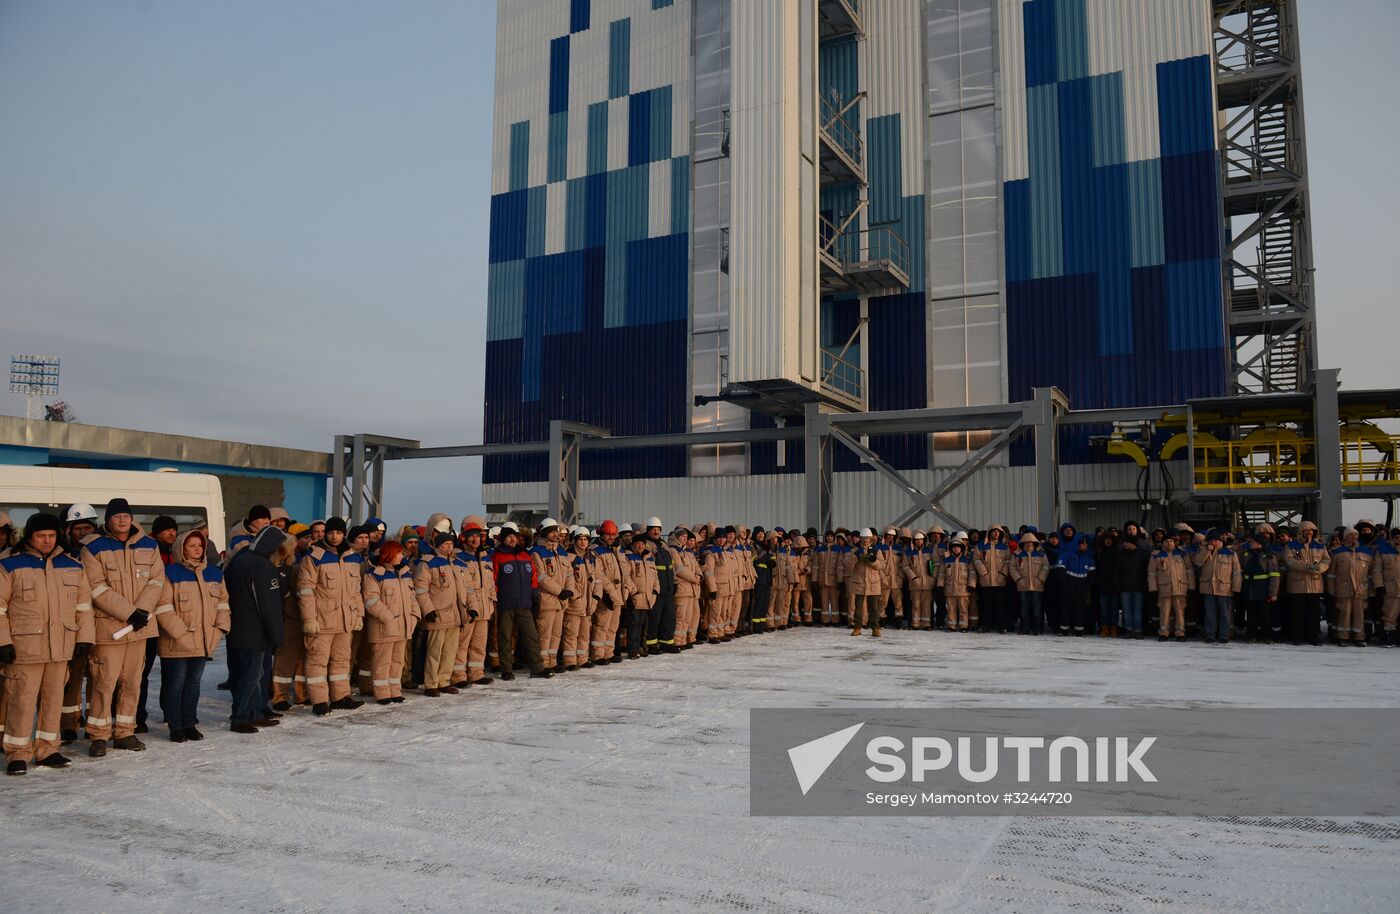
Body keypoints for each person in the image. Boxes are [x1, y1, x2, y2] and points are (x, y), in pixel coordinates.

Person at [0, 513, 95, 775]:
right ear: (30, 536)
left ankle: (47, 748)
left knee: (53, 700)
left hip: (60, 646)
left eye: (51, 536)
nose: (46, 540)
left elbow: (83, 607)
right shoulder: (9, 564)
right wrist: (2, 641)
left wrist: (85, 638)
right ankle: (17, 753)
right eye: (41, 536)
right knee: (21, 700)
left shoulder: (72, 564)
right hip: (24, 648)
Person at [81, 498, 166, 756]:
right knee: (104, 683)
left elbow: (157, 580)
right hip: (109, 629)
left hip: (139, 629)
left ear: (132, 518)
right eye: (116, 516)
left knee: (133, 682)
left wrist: (140, 612)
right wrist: (130, 613)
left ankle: (125, 732)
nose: (122, 520)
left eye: (126, 515)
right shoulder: (93, 547)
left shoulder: (149, 545)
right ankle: (98, 734)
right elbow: (95, 587)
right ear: (108, 520)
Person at [154, 529, 228, 742]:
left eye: (200, 545)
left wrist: (218, 630)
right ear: (181, 548)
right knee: (175, 683)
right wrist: (181, 634)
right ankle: (175, 726)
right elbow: (162, 607)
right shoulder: (170, 572)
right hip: (176, 641)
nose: (197, 549)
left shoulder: (214, 573)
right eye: (191, 545)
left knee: (193, 683)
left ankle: (190, 723)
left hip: (204, 640)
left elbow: (223, 604)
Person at [297, 517, 366, 715]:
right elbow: (305, 591)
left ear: (344, 534)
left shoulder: (352, 557)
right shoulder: (314, 557)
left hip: (345, 621)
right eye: (331, 532)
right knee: (317, 661)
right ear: (326, 533)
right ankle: (319, 701)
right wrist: (309, 619)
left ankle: (340, 696)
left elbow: (356, 591)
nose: (334, 537)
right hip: (321, 621)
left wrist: (358, 615)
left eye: (338, 533)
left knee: (342, 660)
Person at [223, 526, 289, 733]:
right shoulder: (263, 567)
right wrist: (278, 637)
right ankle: (241, 718)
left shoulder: (240, 559)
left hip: (237, 628)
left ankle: (254, 713)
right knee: (251, 678)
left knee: (241, 675)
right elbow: (269, 607)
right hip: (255, 633)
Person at [58, 503, 100, 743]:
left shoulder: (103, 552)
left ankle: (95, 719)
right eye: (78, 528)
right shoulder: (64, 556)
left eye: (88, 527)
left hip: (101, 624)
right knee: (71, 679)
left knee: (98, 676)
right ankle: (68, 723)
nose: (83, 532)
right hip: (72, 626)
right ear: (69, 531)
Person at [361, 540, 418, 704]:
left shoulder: (405, 574)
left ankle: (395, 690)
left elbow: (412, 597)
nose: (401, 556)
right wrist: (388, 617)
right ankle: (382, 693)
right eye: (398, 553)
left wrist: (414, 616)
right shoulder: (374, 576)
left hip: (402, 627)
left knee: (398, 661)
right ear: (389, 554)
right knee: (382, 662)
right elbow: (371, 600)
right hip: (383, 628)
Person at [493, 523, 549, 679]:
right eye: (509, 536)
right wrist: (497, 600)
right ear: (503, 538)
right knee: (505, 638)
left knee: (531, 636)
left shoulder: (525, 556)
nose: (512, 539)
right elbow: (494, 581)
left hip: (524, 604)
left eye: (515, 537)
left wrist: (534, 597)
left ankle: (537, 668)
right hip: (506, 605)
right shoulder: (497, 556)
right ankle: (506, 670)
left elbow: (533, 580)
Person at [413, 532, 466, 696]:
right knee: (434, 651)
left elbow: (466, 588)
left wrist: (468, 608)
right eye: (445, 544)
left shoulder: (457, 563)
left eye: (451, 544)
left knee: (449, 651)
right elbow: (420, 590)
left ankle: (444, 681)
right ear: (437, 546)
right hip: (437, 614)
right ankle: (431, 683)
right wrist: (428, 610)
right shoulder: (428, 563)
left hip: (455, 615)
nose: (449, 547)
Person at [453, 516, 494, 688]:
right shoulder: (459, 557)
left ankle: (476, 673)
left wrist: (491, 601)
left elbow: (490, 583)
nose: (475, 539)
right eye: (471, 536)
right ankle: (458, 675)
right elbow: (462, 586)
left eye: (477, 536)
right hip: (469, 608)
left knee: (479, 644)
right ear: (463, 537)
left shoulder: (485, 557)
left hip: (484, 607)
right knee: (462, 644)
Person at [530, 518, 572, 673]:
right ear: (546, 533)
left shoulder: (561, 551)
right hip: (547, 600)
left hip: (561, 600)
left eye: (557, 531)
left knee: (556, 634)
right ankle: (542, 663)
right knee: (544, 634)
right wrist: (560, 591)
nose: (557, 534)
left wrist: (569, 589)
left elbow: (569, 574)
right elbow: (541, 577)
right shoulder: (537, 553)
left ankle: (552, 662)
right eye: (553, 531)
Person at [1284, 521, 1330, 645]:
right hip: (1297, 585)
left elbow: (1327, 559)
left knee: (1314, 614)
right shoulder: (1291, 545)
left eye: (1312, 530)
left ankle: (1313, 637)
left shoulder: (1320, 545)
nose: (1309, 532)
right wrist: (1307, 567)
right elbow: (1289, 561)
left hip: (1315, 586)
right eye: (1307, 530)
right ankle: (1297, 637)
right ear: (1301, 531)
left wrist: (1319, 568)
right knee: (1297, 613)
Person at [590, 520, 628, 664]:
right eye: (608, 535)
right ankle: (598, 655)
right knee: (601, 626)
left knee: (612, 627)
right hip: (606, 594)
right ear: (602, 534)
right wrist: (608, 593)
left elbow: (623, 571)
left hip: (617, 594)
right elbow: (600, 574)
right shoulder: (596, 550)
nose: (611, 537)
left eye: (613, 535)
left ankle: (608, 653)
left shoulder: (615, 550)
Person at [1327, 528, 1373, 646]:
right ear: (1345, 537)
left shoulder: (1366, 551)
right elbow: (1331, 574)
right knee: (1344, 614)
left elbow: (1371, 573)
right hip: (1343, 589)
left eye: (1356, 535)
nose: (1354, 537)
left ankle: (1359, 637)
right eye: (1351, 535)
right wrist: (1331, 591)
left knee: (1359, 615)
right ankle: (1343, 637)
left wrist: (1371, 590)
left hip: (1361, 589)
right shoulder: (1337, 552)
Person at [1198, 531, 1242, 644]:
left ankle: (1224, 635)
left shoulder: (1230, 552)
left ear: (1220, 541)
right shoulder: (1204, 550)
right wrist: (1207, 550)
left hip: (1225, 588)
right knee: (1210, 613)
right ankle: (1210, 635)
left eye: (1215, 540)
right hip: (1208, 588)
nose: (1213, 542)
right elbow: (1198, 562)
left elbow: (1236, 571)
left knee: (1225, 613)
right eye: (1211, 540)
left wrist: (1236, 588)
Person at [562, 526, 597, 668]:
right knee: (571, 633)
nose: (583, 543)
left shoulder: (592, 557)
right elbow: (566, 579)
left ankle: (582, 658)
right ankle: (570, 661)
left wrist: (596, 596)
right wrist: (575, 596)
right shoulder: (568, 556)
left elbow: (598, 578)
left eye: (585, 540)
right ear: (575, 541)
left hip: (589, 602)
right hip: (575, 602)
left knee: (584, 633)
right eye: (580, 539)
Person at [644, 517, 680, 652]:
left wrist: (675, 582)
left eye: (658, 529)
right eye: (653, 529)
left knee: (669, 618)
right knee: (654, 618)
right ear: (648, 530)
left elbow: (672, 566)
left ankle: (667, 642)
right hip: (658, 589)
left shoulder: (664, 545)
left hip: (669, 588)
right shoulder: (648, 545)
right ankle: (652, 644)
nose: (656, 532)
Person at [1149, 534, 1193, 642]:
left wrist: (1192, 586)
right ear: (1162, 543)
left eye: (1171, 541)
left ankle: (1180, 632)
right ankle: (1164, 632)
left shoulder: (1182, 553)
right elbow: (1152, 573)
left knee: (1180, 611)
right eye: (1167, 541)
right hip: (1164, 588)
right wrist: (1153, 588)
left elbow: (1190, 570)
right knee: (1164, 611)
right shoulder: (1156, 555)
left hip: (1180, 587)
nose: (1169, 543)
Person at [1240, 536, 1281, 643]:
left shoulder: (1269, 556)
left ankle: (1267, 636)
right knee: (1251, 615)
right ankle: (1252, 635)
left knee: (1265, 615)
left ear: (1259, 543)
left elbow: (1275, 575)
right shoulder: (1245, 555)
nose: (1250, 543)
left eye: (1252, 541)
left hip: (1263, 590)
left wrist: (1273, 593)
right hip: (1249, 589)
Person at [624, 534, 658, 658]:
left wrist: (655, 591)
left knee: (643, 624)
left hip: (648, 597)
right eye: (638, 544)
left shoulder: (649, 557)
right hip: (635, 597)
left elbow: (655, 576)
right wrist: (634, 592)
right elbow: (626, 576)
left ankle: (641, 647)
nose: (640, 546)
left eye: (642, 544)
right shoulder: (628, 557)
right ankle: (632, 649)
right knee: (634, 623)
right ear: (633, 545)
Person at [1054, 533, 1096, 636]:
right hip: (1069, 584)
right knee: (1066, 608)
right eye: (1081, 544)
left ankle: (1079, 630)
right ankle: (1064, 629)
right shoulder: (1067, 554)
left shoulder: (1088, 557)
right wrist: (1065, 582)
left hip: (1082, 585)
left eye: (1085, 544)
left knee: (1080, 608)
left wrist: (1088, 584)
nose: (1083, 546)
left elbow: (1092, 572)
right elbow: (1059, 567)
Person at [974, 526, 1013, 633]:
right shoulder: (981, 545)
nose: (996, 534)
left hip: (1000, 580)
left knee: (1000, 605)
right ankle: (986, 625)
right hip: (986, 580)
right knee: (986, 604)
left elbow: (1008, 561)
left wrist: (1003, 574)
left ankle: (1002, 626)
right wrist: (984, 573)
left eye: (998, 532)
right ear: (990, 533)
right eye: (994, 531)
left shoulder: (1004, 547)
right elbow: (977, 560)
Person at [1009, 532, 1049, 634]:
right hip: (1023, 586)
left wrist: (1040, 579)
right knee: (1024, 609)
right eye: (1026, 542)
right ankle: (1025, 628)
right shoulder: (1017, 554)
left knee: (1037, 609)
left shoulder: (1041, 553)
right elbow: (1012, 568)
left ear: (1034, 543)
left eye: (1030, 542)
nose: (1028, 544)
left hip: (1037, 586)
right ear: (1022, 543)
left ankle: (1037, 629)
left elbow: (1046, 566)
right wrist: (1018, 579)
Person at [848, 529, 884, 637]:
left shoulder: (876, 550)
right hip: (859, 583)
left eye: (868, 539)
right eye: (864, 539)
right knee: (858, 607)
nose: (866, 541)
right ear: (860, 539)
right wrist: (856, 557)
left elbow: (882, 565)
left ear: (871, 539)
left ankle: (875, 628)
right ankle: (857, 627)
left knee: (874, 608)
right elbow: (849, 566)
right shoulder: (854, 550)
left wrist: (873, 561)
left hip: (873, 583)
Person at [672, 527, 703, 649]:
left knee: (688, 617)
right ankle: (677, 641)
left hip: (691, 589)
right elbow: (679, 569)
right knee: (680, 617)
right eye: (682, 537)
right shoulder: (674, 550)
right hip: (682, 589)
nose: (685, 539)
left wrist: (699, 575)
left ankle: (683, 640)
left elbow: (696, 567)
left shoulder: (688, 552)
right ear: (677, 537)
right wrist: (694, 578)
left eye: (686, 537)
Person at [938, 535, 976, 632]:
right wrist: (940, 585)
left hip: (963, 590)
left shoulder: (967, 559)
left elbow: (972, 573)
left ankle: (964, 626)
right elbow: (942, 573)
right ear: (950, 548)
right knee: (951, 609)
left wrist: (972, 584)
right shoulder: (946, 559)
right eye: (954, 547)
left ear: (962, 548)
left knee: (963, 609)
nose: (956, 548)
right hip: (950, 590)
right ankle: (952, 626)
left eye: (958, 546)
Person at [1117, 534, 1149, 639]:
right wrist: (1118, 584)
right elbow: (1116, 571)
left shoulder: (1143, 555)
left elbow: (1146, 572)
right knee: (1126, 610)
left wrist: (1145, 585)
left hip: (1139, 587)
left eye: (1126, 542)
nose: (1124, 544)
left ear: (1132, 543)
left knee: (1137, 610)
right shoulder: (1121, 555)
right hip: (1124, 587)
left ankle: (1138, 630)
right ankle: (1129, 629)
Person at [1372, 528, 1400, 646]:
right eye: (1396, 537)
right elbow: (1377, 570)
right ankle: (1390, 639)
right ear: (1391, 538)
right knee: (1390, 615)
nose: (1398, 539)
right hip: (1390, 589)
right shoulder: (1382, 550)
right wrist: (1379, 586)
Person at [903, 532, 937, 630]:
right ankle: (915, 623)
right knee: (915, 604)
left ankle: (926, 624)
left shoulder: (930, 550)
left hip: (927, 582)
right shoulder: (908, 551)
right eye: (917, 540)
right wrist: (913, 577)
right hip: (915, 583)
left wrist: (933, 578)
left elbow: (937, 564)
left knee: (926, 604)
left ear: (924, 540)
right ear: (914, 541)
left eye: (921, 539)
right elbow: (905, 566)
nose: (919, 541)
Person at [788, 535, 814, 625]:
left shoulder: (808, 553)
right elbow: (792, 566)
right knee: (795, 601)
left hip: (806, 580)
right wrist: (798, 572)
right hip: (796, 580)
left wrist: (807, 569)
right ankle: (796, 618)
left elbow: (811, 563)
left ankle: (808, 619)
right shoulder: (792, 553)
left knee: (808, 600)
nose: (800, 548)